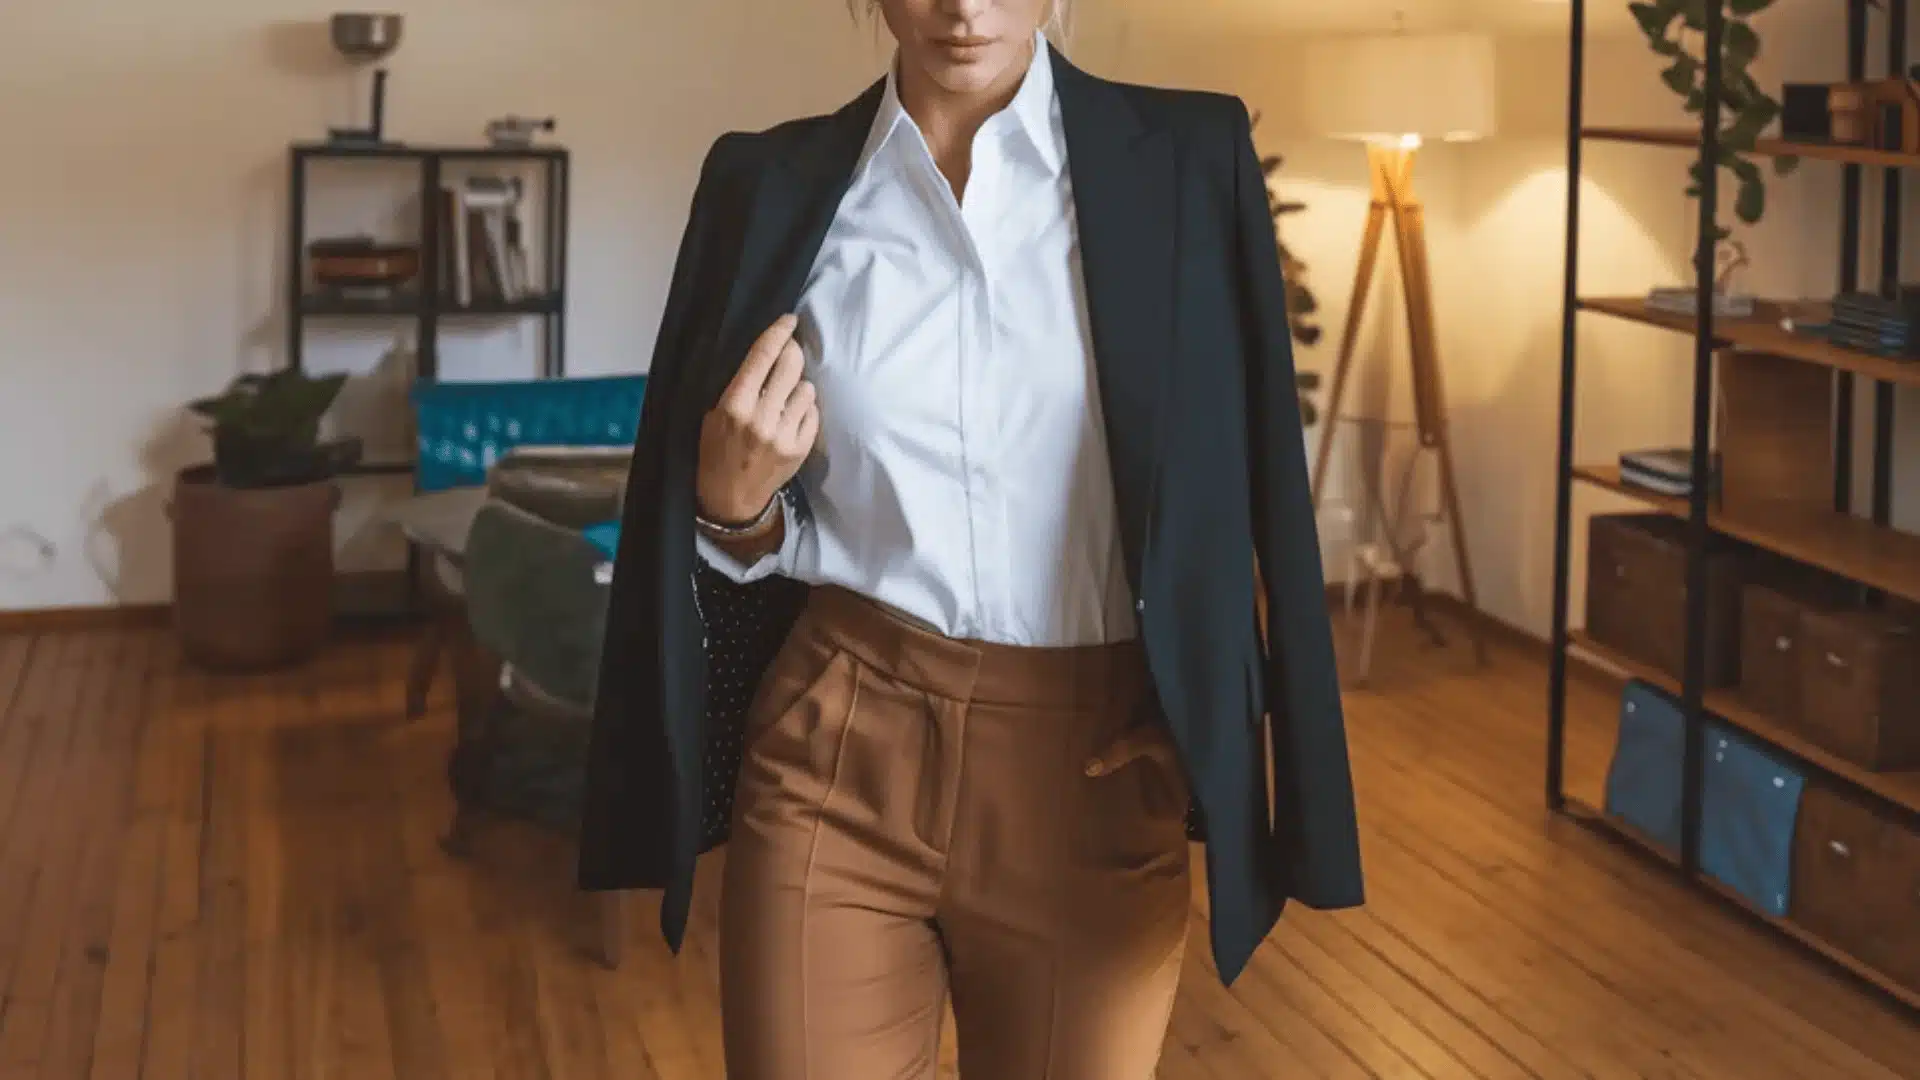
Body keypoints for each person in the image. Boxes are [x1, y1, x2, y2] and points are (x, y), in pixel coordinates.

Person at [579, 0, 1364, 1075]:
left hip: (1096, 770)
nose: (963, 4)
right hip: (838, 746)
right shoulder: (764, 183)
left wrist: (1222, 716)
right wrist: (732, 506)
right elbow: (727, 519)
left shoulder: (1188, 158)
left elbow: (1256, 473)